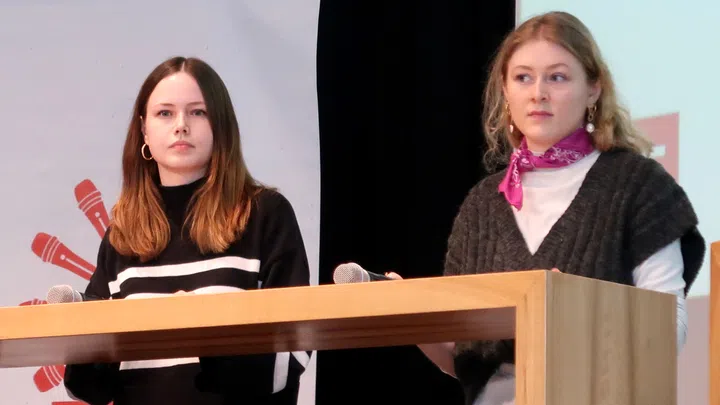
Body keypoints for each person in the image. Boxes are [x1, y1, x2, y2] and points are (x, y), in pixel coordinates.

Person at [387, 11, 705, 405]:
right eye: (523, 77)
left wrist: (575, 311)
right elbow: (463, 357)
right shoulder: (482, 204)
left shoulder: (639, 186)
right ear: (506, 91)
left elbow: (668, 330)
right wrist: (414, 317)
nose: (538, 93)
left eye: (557, 77)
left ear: (593, 89)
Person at [63, 56, 311, 405]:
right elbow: (90, 386)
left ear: (221, 126)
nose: (181, 126)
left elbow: (291, 354)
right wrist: (74, 333)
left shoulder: (265, 215)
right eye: (165, 113)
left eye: (198, 112)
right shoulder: (123, 234)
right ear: (144, 130)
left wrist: (199, 328)